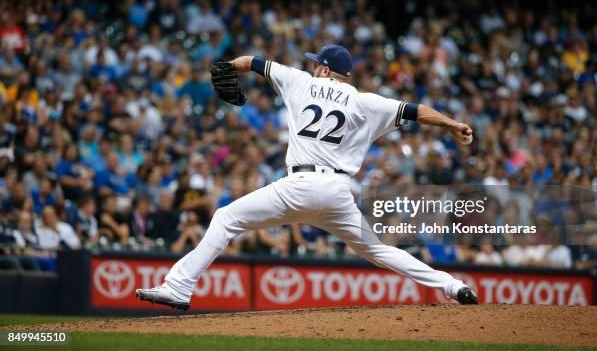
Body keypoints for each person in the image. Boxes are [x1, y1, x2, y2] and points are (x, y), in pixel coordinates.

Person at [136, 44, 478, 310]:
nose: (314, 66)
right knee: (377, 250)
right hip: (338, 194)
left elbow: (253, 62)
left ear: (325, 69)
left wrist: (226, 68)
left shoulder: (301, 81)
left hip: (298, 187)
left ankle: (178, 287)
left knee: (226, 218)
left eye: (318, 63)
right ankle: (451, 285)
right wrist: (452, 124)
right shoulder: (366, 102)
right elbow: (416, 111)